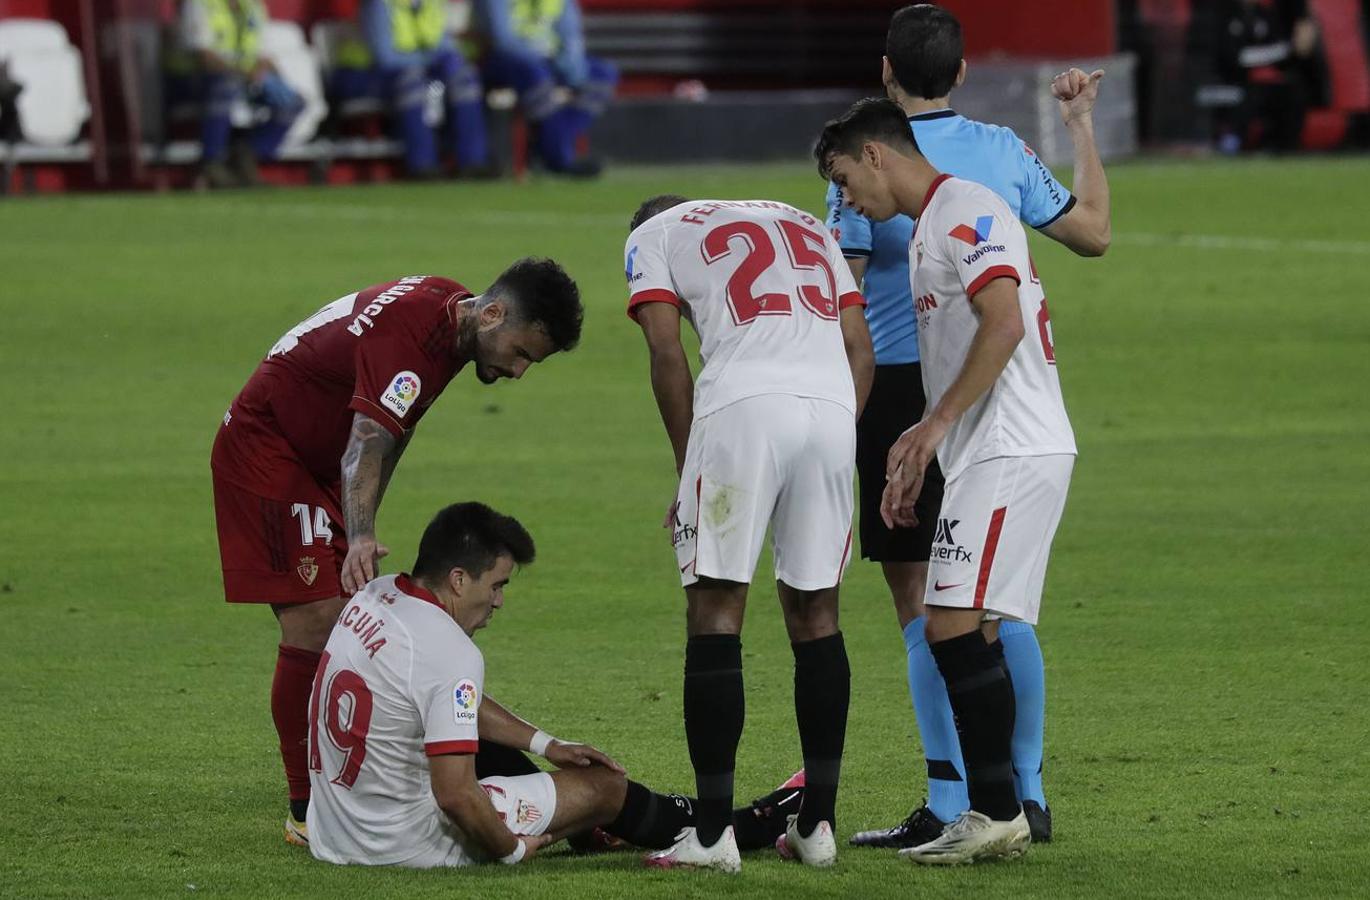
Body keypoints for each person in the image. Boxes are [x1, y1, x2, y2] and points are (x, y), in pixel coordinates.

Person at [811, 3, 1108, 849]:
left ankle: (962, 804)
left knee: (930, 606)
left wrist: (879, 415)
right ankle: (1023, 791)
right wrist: (1079, 127)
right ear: (964, 72)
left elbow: (852, 298)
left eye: (845, 184)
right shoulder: (1005, 155)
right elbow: (1091, 233)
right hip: (965, 399)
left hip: (934, 398)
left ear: (884, 75)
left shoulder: (932, 196)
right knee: (989, 608)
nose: (846, 197)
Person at [210, 260, 583, 847]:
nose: (516, 370)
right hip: (269, 451)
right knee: (313, 623)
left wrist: (363, 521)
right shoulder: (414, 335)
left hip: (320, 460)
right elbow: (366, 440)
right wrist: (358, 536)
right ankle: (305, 810)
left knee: (341, 617)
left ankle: (336, 783)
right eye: (520, 353)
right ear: (492, 314)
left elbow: (391, 435)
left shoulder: (451, 320)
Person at [625, 195, 876, 872]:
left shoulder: (653, 232)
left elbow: (664, 350)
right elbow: (860, 346)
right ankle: (816, 825)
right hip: (831, 410)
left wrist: (687, 468)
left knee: (715, 607)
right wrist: (835, 431)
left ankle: (710, 836)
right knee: (817, 611)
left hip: (741, 409)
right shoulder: (800, 220)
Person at [308, 501, 759, 866]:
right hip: (401, 844)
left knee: (481, 743)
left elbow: (443, 698)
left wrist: (547, 744)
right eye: (497, 585)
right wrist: (509, 849)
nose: (499, 602)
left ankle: (591, 825)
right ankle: (748, 823)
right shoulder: (449, 652)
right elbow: (455, 795)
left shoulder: (379, 594)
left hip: (336, 827)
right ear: (459, 580)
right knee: (604, 786)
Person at [334, 0, 496, 178]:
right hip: (364, 75)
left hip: (414, 69)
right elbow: (385, 57)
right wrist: (431, 60)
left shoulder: (430, 4)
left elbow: (443, 44)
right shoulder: (378, 4)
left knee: (465, 78)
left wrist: (452, 59)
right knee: (412, 83)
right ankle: (422, 165)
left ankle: (473, 163)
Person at [168, 0, 304, 188]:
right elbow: (203, 57)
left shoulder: (253, 6)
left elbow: (263, 53)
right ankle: (212, 162)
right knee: (225, 85)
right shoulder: (199, 4)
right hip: (194, 81)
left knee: (292, 101)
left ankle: (247, 155)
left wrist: (266, 74)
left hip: (242, 79)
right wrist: (243, 73)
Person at [472, 0, 616, 177]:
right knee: (536, 76)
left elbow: (570, 35)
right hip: (502, 61)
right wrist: (543, 59)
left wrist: (571, 67)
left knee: (602, 73)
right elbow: (502, 39)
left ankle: (549, 144)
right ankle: (559, 161)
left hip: (547, 61)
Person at [1211, 0, 1321, 153]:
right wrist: (1271, 54)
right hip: (1233, 80)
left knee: (1293, 94)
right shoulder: (1225, 14)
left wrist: (1293, 48)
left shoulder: (1265, 14)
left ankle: (1284, 146)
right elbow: (1231, 57)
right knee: (1250, 97)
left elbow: (1283, 50)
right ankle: (1231, 144)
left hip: (1264, 83)